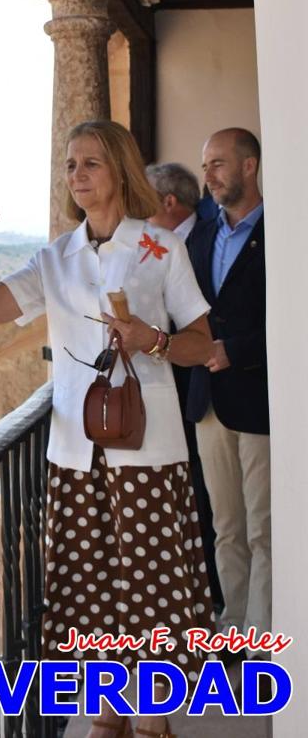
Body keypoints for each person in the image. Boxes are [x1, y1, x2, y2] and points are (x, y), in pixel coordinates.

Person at [0, 120, 215, 738]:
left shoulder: (160, 248)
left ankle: (153, 722)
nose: (77, 176)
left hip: (148, 449)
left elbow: (202, 342)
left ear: (119, 169)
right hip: (74, 453)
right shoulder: (55, 257)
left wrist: (155, 339)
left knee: (151, 594)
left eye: (90, 163)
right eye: (69, 165)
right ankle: (111, 716)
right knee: (89, 593)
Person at [186, 128, 270, 661]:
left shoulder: (285, 231)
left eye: (219, 164)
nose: (209, 175)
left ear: (249, 166)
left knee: (265, 529)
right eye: (205, 165)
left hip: (261, 400)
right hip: (207, 401)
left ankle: (263, 640)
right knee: (226, 527)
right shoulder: (199, 235)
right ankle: (234, 627)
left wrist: (235, 351)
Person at [146, 162, 223, 611]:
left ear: (169, 202)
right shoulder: (161, 245)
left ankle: (213, 603)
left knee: (213, 510)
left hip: (209, 391)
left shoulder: (205, 239)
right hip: (181, 399)